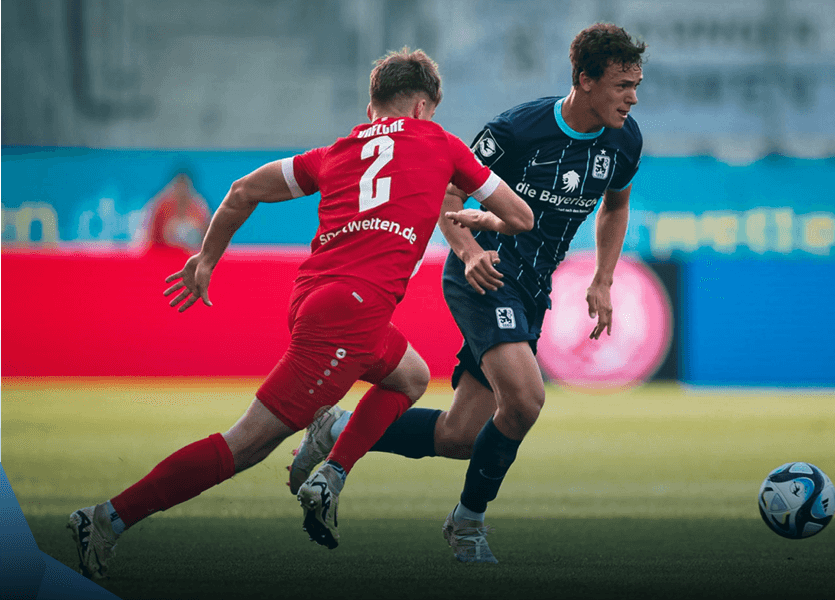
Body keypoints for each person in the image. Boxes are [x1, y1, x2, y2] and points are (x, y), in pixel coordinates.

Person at [67, 47, 533, 579]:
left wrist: (207, 259)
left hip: (313, 298)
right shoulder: (442, 143)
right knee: (246, 444)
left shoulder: (335, 151)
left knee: (411, 376)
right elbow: (519, 215)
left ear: (371, 107)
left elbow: (244, 190)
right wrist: (476, 220)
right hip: (351, 314)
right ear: (425, 108)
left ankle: (331, 470)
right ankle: (106, 519)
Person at [287, 23, 647, 564]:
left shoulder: (625, 140)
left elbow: (615, 206)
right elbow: (447, 191)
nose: (633, 97)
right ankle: (467, 524)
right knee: (526, 399)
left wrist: (602, 277)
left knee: (460, 435)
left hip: (531, 290)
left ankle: (336, 426)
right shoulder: (517, 129)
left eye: (636, 84)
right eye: (622, 85)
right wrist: (469, 251)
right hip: (484, 272)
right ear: (585, 79)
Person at [140, 170, 211, 255]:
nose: (181, 193)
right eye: (179, 188)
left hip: (191, 258)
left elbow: (210, 240)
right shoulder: (161, 207)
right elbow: (149, 240)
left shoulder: (199, 209)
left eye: (184, 189)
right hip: (165, 257)